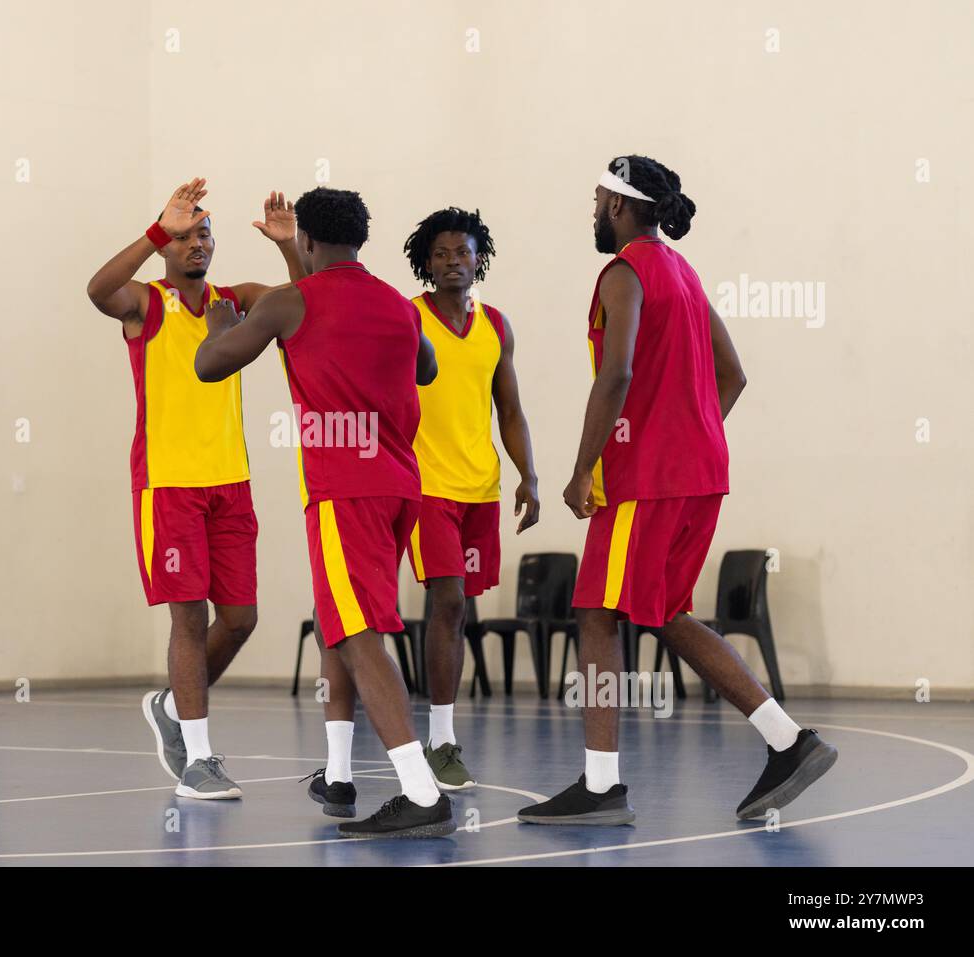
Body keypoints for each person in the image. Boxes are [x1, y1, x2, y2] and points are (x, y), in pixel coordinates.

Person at [517, 156, 836, 826]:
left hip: (647, 480)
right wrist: (689, 437)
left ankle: (602, 783)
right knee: (665, 611)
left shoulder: (625, 273)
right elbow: (735, 375)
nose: (592, 209)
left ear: (621, 207)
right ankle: (789, 740)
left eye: (599, 197)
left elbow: (617, 373)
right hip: (699, 474)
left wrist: (583, 467)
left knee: (597, 611)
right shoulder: (685, 276)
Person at [195, 186, 455, 838]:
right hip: (402, 488)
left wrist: (219, 321)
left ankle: (420, 790)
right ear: (358, 239)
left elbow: (209, 365)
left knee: (357, 632)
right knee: (341, 620)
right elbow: (424, 370)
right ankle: (339, 774)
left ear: (308, 241)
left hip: (346, 492)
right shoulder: (400, 306)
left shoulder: (291, 303)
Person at [87, 179, 303, 800]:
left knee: (240, 619)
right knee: (190, 617)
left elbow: (305, 300)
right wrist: (157, 227)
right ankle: (198, 761)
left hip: (231, 484)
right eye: (182, 237)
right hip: (169, 486)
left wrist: (289, 246)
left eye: (203, 234)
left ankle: (171, 705)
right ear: (164, 248)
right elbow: (97, 289)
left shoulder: (235, 302)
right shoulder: (145, 304)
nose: (195, 244)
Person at [400, 207, 539, 789]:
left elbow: (509, 408)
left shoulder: (497, 326)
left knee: (460, 611)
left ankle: (440, 733)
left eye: (463, 252)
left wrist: (528, 477)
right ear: (425, 263)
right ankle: (442, 740)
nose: (454, 262)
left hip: (480, 488)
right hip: (424, 485)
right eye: (441, 254)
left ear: (480, 257)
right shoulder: (407, 318)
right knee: (449, 600)